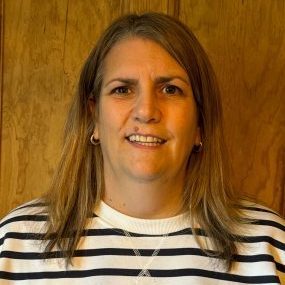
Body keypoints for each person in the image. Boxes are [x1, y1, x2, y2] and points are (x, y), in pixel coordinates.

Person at [0, 12, 284, 285]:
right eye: (122, 89)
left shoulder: (267, 248)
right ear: (93, 117)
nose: (146, 111)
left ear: (200, 122)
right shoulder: (17, 244)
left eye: (171, 89)